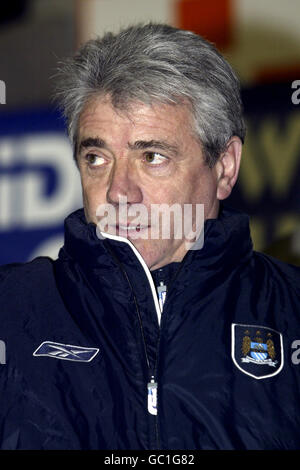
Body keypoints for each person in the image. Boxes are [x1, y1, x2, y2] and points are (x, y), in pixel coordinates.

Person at [0, 22, 299, 451]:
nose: (119, 191)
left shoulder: (290, 313)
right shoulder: (10, 311)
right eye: (97, 157)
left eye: (152, 156)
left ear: (225, 166)